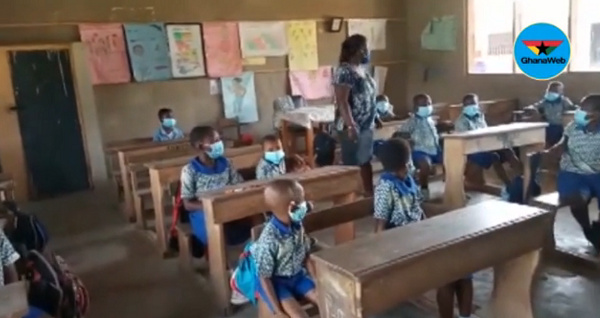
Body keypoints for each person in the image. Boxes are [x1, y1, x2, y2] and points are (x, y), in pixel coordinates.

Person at [373, 138, 473, 318]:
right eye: (410, 159)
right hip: (404, 241)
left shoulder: (408, 179)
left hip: (421, 233)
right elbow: (379, 225)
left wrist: (438, 221)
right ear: (405, 163)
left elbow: (418, 207)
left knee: (465, 268)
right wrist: (385, 264)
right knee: (448, 275)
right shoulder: (385, 188)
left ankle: (466, 315)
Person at [179, 125, 251, 304]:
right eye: (213, 141)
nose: (219, 144)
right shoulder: (190, 171)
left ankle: (254, 263)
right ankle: (226, 274)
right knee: (215, 229)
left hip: (229, 208)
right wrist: (211, 206)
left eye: (219, 139)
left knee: (257, 216)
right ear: (199, 146)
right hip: (203, 214)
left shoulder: (226, 163)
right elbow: (188, 204)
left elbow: (238, 186)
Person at [251, 179, 318, 318]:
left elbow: (306, 256)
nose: (306, 204)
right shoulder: (269, 239)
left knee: (327, 300)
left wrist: (317, 281)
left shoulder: (297, 225)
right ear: (292, 207)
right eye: (303, 200)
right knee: (299, 316)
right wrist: (278, 311)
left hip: (298, 276)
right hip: (278, 283)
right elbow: (264, 278)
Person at [543, 94, 600, 252]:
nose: (579, 112)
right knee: (577, 200)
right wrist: (557, 149)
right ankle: (587, 229)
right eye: (580, 108)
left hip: (597, 173)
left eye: (584, 109)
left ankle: (598, 228)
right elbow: (563, 142)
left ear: (597, 114)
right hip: (573, 172)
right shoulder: (573, 126)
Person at [333, 34, 379, 196]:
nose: (368, 52)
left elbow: (369, 96)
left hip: (367, 123)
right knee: (352, 164)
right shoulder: (344, 71)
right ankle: (349, 197)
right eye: (365, 48)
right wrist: (351, 125)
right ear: (357, 50)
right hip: (352, 125)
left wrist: (376, 116)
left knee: (365, 160)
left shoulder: (362, 70)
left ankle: (368, 193)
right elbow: (342, 101)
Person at [455, 94, 521, 200]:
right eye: (467, 104)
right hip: (472, 149)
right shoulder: (461, 121)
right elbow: (466, 140)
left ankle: (520, 179)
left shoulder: (480, 116)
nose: (471, 106)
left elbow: (485, 130)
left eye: (473, 103)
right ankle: (507, 184)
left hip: (484, 144)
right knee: (494, 156)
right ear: (463, 106)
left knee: (507, 149)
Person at [396, 93, 441, 199]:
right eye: (423, 105)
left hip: (434, 149)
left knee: (451, 160)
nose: (427, 107)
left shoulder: (430, 120)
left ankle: (451, 187)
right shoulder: (412, 121)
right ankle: (424, 188)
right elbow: (399, 133)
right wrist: (407, 138)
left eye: (429, 104)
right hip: (419, 150)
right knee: (425, 165)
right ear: (416, 108)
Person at [525, 81, 576, 146]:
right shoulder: (548, 101)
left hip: (556, 126)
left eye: (559, 90)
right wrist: (530, 108)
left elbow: (571, 107)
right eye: (552, 90)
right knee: (551, 143)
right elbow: (536, 106)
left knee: (556, 143)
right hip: (551, 126)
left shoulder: (562, 100)